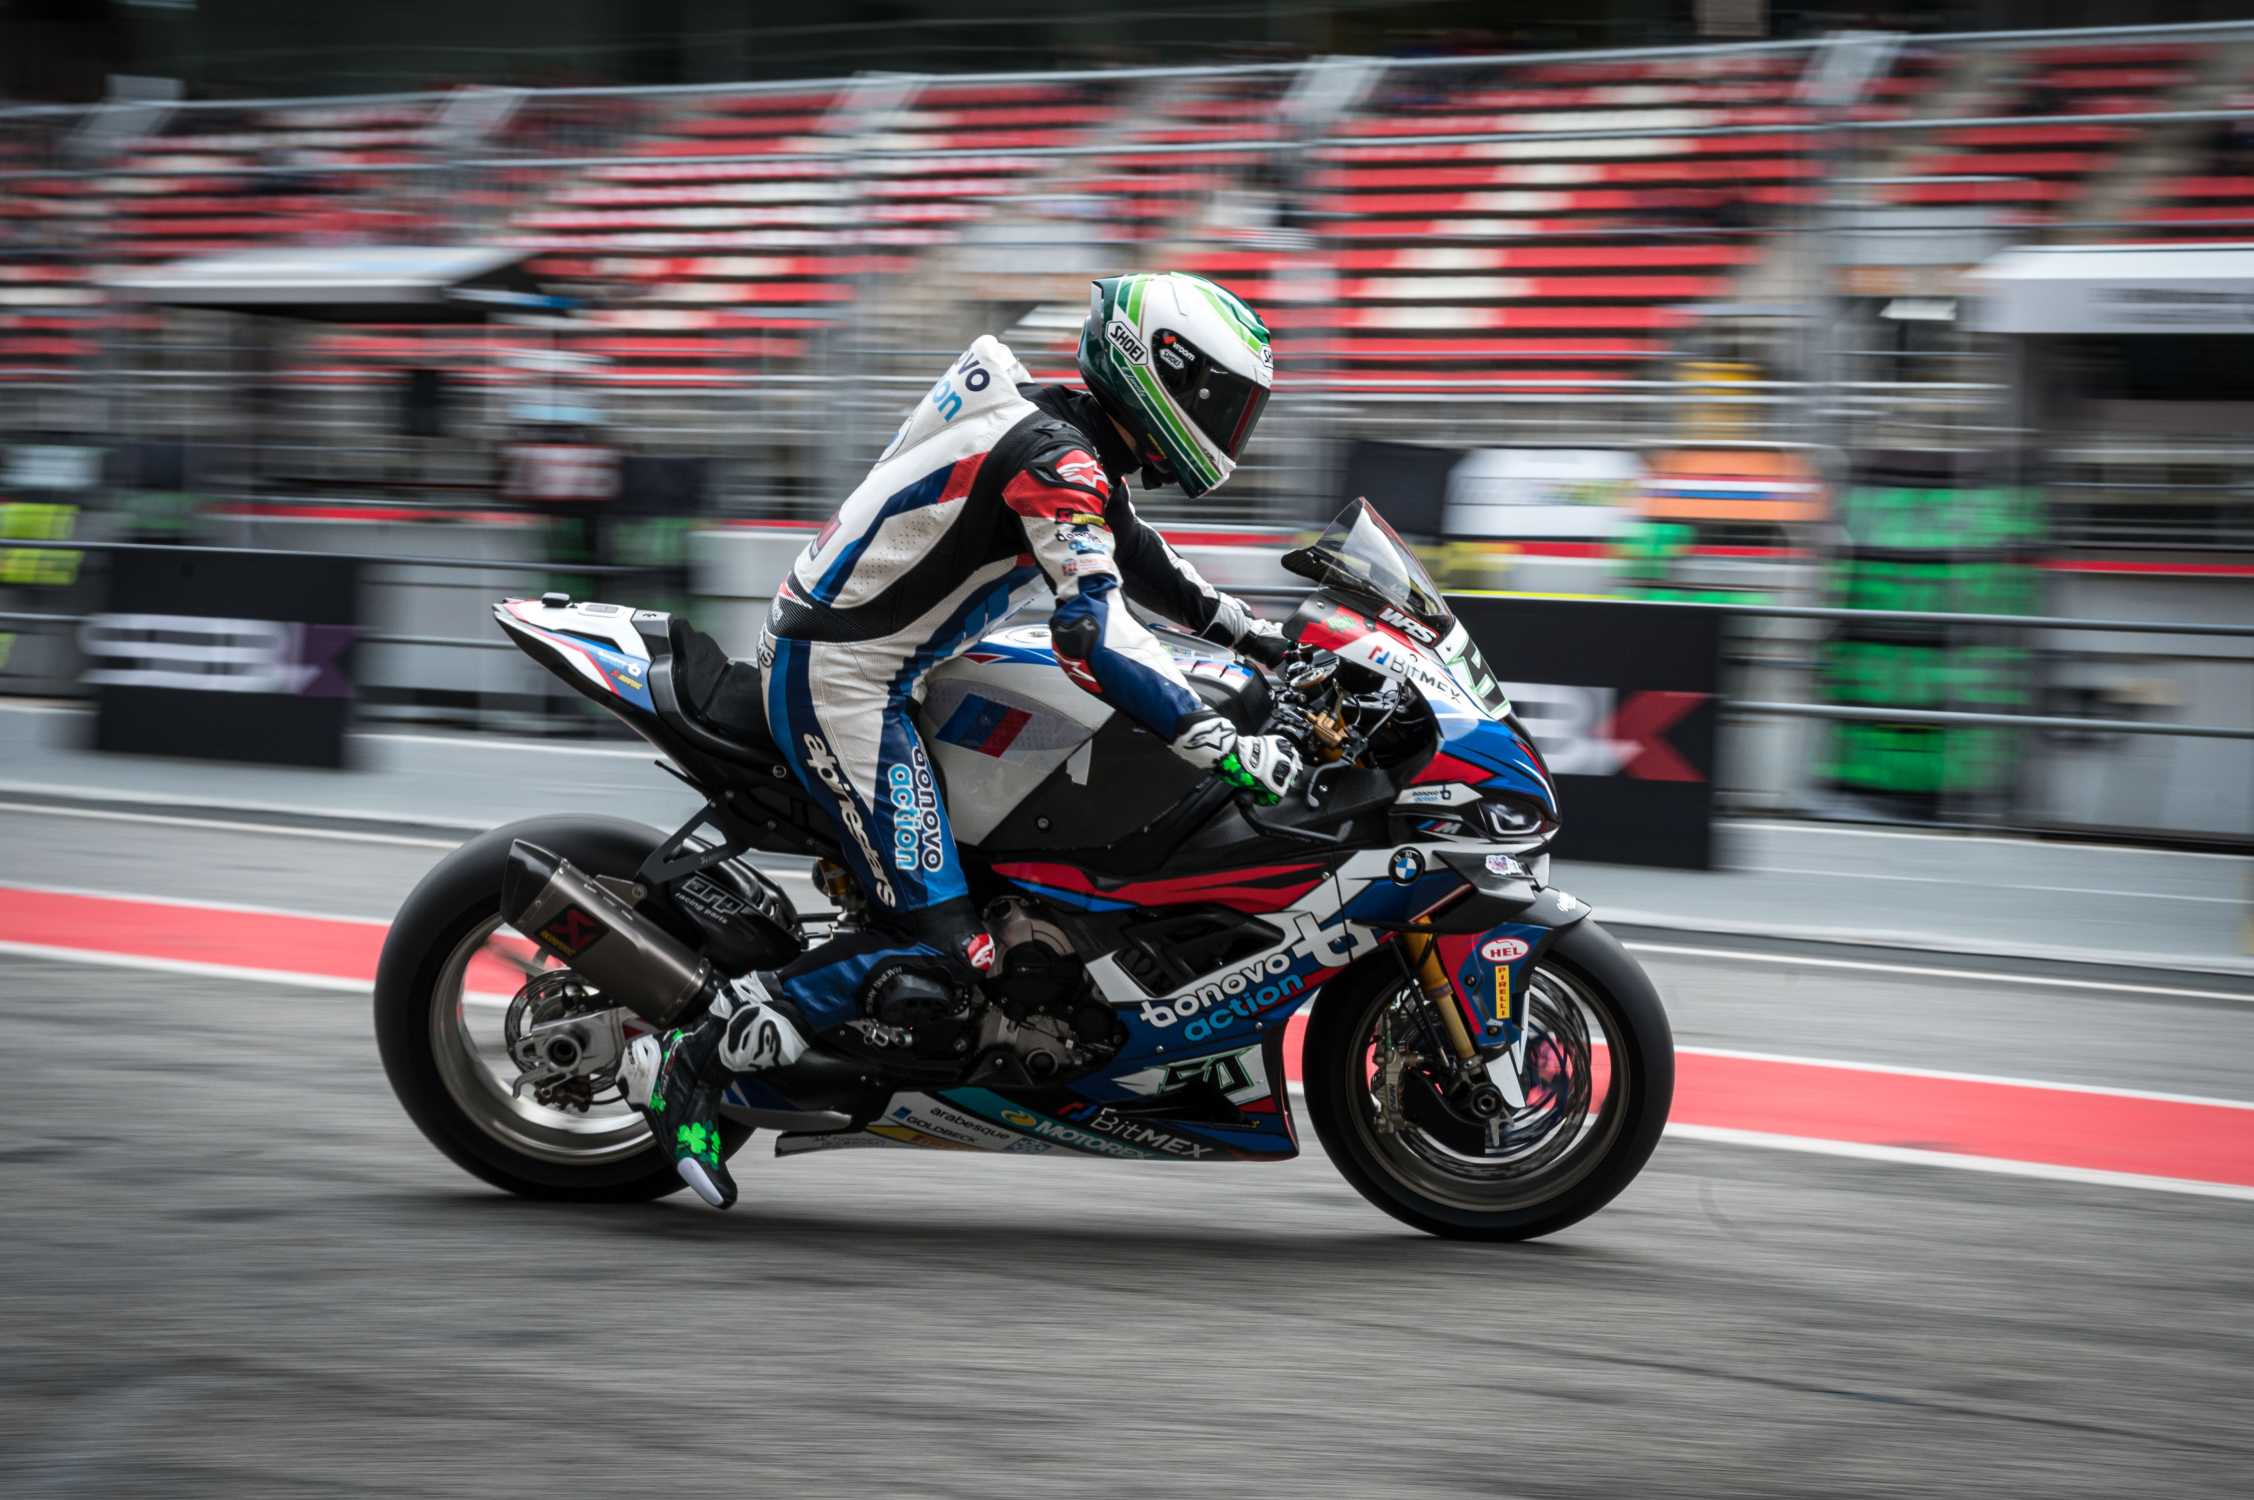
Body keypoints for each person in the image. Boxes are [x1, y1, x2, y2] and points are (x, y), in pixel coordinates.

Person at [621, 272, 1304, 1208]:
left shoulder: (1067, 440)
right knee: (949, 947)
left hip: (894, 666)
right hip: (845, 682)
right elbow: (1094, 629)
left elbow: (1140, 558)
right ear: (1164, 373)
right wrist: (1214, 738)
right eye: (1224, 403)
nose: (1231, 426)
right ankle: (698, 1056)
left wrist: (1262, 638)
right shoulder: (1056, 459)